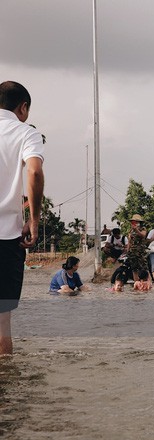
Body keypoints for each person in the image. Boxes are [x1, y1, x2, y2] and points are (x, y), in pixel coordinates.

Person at [0, 81, 45, 355]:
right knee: (2, 324)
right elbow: (35, 172)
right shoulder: (25, 133)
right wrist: (34, 219)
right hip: (6, 239)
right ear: (23, 107)